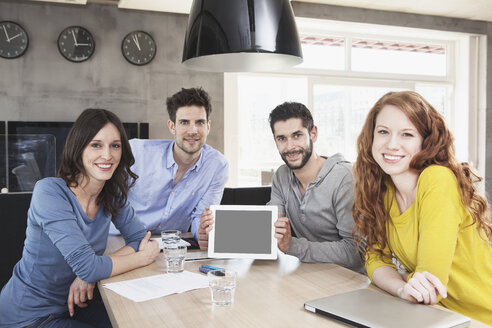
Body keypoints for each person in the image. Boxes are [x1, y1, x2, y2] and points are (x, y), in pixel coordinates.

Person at [0, 109, 160, 328]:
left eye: (115, 145)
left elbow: (139, 238)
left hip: (75, 306)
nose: (107, 155)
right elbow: (92, 265)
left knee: (140, 321)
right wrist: (141, 258)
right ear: (79, 148)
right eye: (96, 145)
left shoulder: (112, 193)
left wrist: (89, 273)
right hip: (29, 317)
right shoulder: (49, 192)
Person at [352, 91, 492, 324]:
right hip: (442, 317)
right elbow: (375, 260)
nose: (392, 144)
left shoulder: (438, 179)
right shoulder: (384, 190)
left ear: (425, 141)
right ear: (372, 137)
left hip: (481, 317)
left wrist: (413, 284)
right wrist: (401, 289)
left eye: (407, 134)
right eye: (383, 132)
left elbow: (430, 285)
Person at [211, 101, 363, 272]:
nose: (290, 147)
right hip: (310, 273)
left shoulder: (344, 178)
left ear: (313, 134)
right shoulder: (281, 176)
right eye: (282, 138)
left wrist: (292, 245)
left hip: (349, 280)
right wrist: (213, 233)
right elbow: (268, 230)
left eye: (297, 135)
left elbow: (356, 252)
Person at [121, 87, 228, 249]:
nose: (193, 131)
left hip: (173, 247)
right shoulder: (137, 152)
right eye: (184, 122)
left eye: (200, 122)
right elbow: (110, 202)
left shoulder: (217, 165)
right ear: (172, 126)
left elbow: (201, 216)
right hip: (122, 240)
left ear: (208, 126)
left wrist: (203, 233)